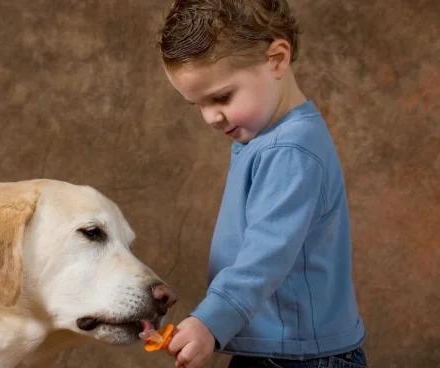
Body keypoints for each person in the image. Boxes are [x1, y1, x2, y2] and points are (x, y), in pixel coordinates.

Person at [153, 1, 368, 367]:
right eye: (198, 105)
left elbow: (266, 255)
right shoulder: (268, 139)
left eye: (221, 97)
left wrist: (210, 320)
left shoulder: (290, 150)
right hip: (276, 348)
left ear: (277, 59)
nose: (210, 117)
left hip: (302, 357)